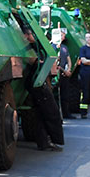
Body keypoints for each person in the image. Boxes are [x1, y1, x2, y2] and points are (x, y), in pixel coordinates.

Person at [19, 22, 64, 150]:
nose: (32, 36)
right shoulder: (28, 48)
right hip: (37, 84)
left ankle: (45, 142)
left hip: (36, 83)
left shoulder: (32, 46)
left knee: (41, 114)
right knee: (49, 112)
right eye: (30, 34)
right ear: (26, 35)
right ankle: (49, 141)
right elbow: (33, 61)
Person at [52, 29, 76, 119]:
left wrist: (69, 69)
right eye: (62, 35)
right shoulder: (52, 47)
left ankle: (67, 113)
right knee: (56, 96)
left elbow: (68, 59)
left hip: (65, 75)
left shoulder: (64, 47)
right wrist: (64, 70)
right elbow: (55, 62)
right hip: (57, 74)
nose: (64, 37)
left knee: (65, 95)